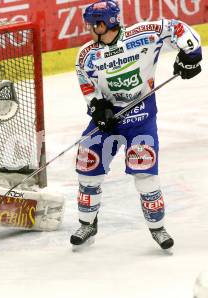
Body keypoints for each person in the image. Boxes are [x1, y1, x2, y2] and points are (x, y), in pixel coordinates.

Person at [72, 0, 202, 249]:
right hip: (110, 119)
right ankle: (88, 223)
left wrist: (191, 54)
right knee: (87, 163)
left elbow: (176, 28)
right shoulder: (86, 55)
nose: (90, 30)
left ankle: (158, 228)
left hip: (141, 116)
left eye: (94, 25)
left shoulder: (142, 35)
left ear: (108, 22)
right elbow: (87, 85)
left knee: (145, 173)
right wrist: (98, 108)